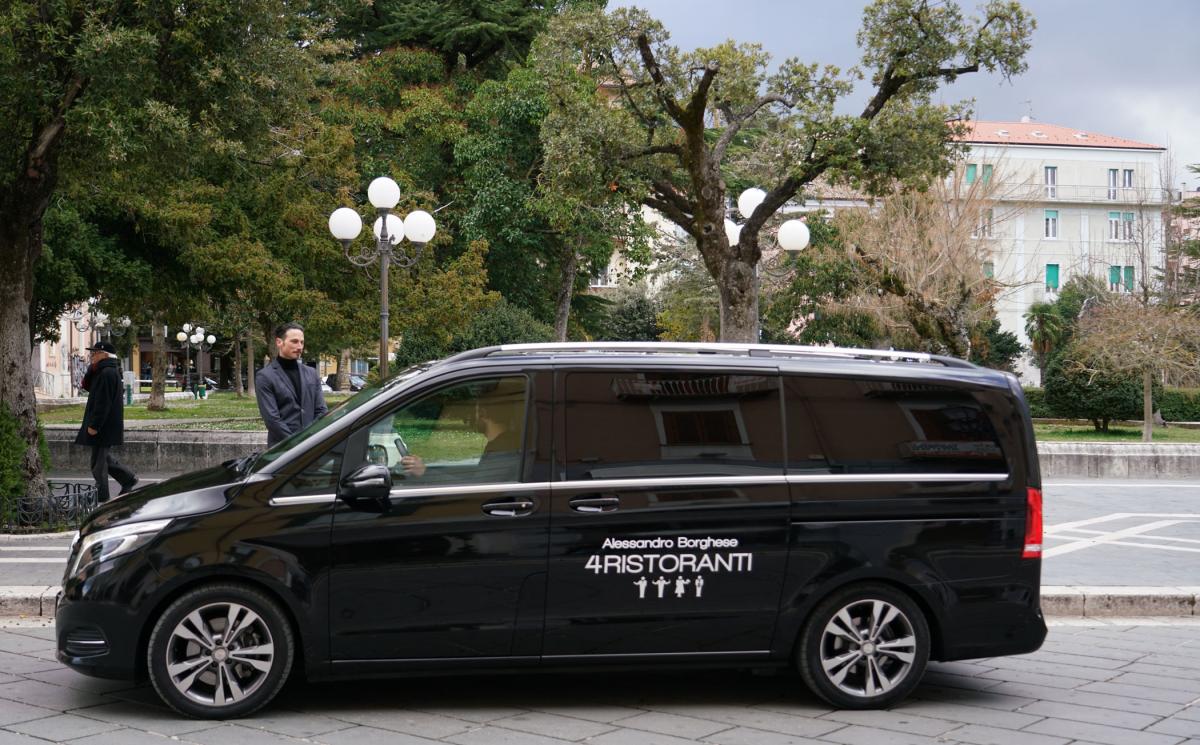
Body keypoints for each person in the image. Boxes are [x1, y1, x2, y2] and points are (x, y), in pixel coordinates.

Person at [74, 341, 137, 503]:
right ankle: (128, 479)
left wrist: (94, 425)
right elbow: (89, 388)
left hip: (103, 425)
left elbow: (103, 403)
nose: (92, 355)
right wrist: (91, 370)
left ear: (105, 355)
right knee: (103, 459)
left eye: (95, 353)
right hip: (104, 424)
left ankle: (101, 494)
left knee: (98, 463)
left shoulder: (107, 373)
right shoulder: (101, 371)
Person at [255, 322, 328, 446]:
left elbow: (321, 410)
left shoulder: (311, 373)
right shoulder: (265, 376)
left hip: (312, 446)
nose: (299, 346)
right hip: (282, 450)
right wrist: (296, 444)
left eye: (302, 342)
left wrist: (310, 438)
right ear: (279, 342)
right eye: (294, 341)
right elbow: (272, 420)